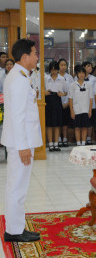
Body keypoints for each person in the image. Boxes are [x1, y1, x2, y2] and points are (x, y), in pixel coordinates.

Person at [2, 39, 42, 242]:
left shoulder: (21, 75)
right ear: (25, 57)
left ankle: (15, 227)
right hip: (21, 142)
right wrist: (23, 147)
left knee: (18, 186)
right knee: (17, 186)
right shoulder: (17, 79)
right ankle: (13, 231)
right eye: (35, 53)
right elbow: (17, 116)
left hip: (22, 140)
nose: (37, 57)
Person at [45, 61, 67, 152]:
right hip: (48, 100)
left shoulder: (62, 79)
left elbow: (66, 92)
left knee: (57, 124)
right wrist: (44, 92)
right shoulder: (45, 78)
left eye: (55, 69)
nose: (54, 71)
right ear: (50, 69)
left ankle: (56, 143)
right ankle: (50, 144)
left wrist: (62, 94)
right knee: (49, 124)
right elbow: (40, 90)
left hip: (57, 100)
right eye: (52, 69)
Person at [69, 65, 93, 146]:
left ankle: (83, 142)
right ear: (77, 74)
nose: (81, 74)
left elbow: (91, 98)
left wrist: (90, 110)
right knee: (77, 127)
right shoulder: (73, 85)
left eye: (83, 73)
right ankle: (78, 143)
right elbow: (70, 99)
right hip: (76, 109)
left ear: (85, 74)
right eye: (80, 73)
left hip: (85, 109)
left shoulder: (88, 85)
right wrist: (72, 111)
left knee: (85, 127)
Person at [58, 58, 74, 147]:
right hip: (58, 103)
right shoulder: (56, 76)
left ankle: (65, 138)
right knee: (58, 122)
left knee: (65, 122)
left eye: (65, 65)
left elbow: (71, 91)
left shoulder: (69, 77)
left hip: (67, 103)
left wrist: (68, 102)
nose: (63, 67)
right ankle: (58, 138)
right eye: (61, 65)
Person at [81, 61, 96, 145]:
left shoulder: (94, 78)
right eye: (88, 66)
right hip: (81, 103)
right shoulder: (79, 77)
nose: (90, 68)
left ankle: (89, 137)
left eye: (91, 66)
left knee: (90, 122)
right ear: (83, 67)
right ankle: (82, 139)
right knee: (82, 121)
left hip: (91, 103)